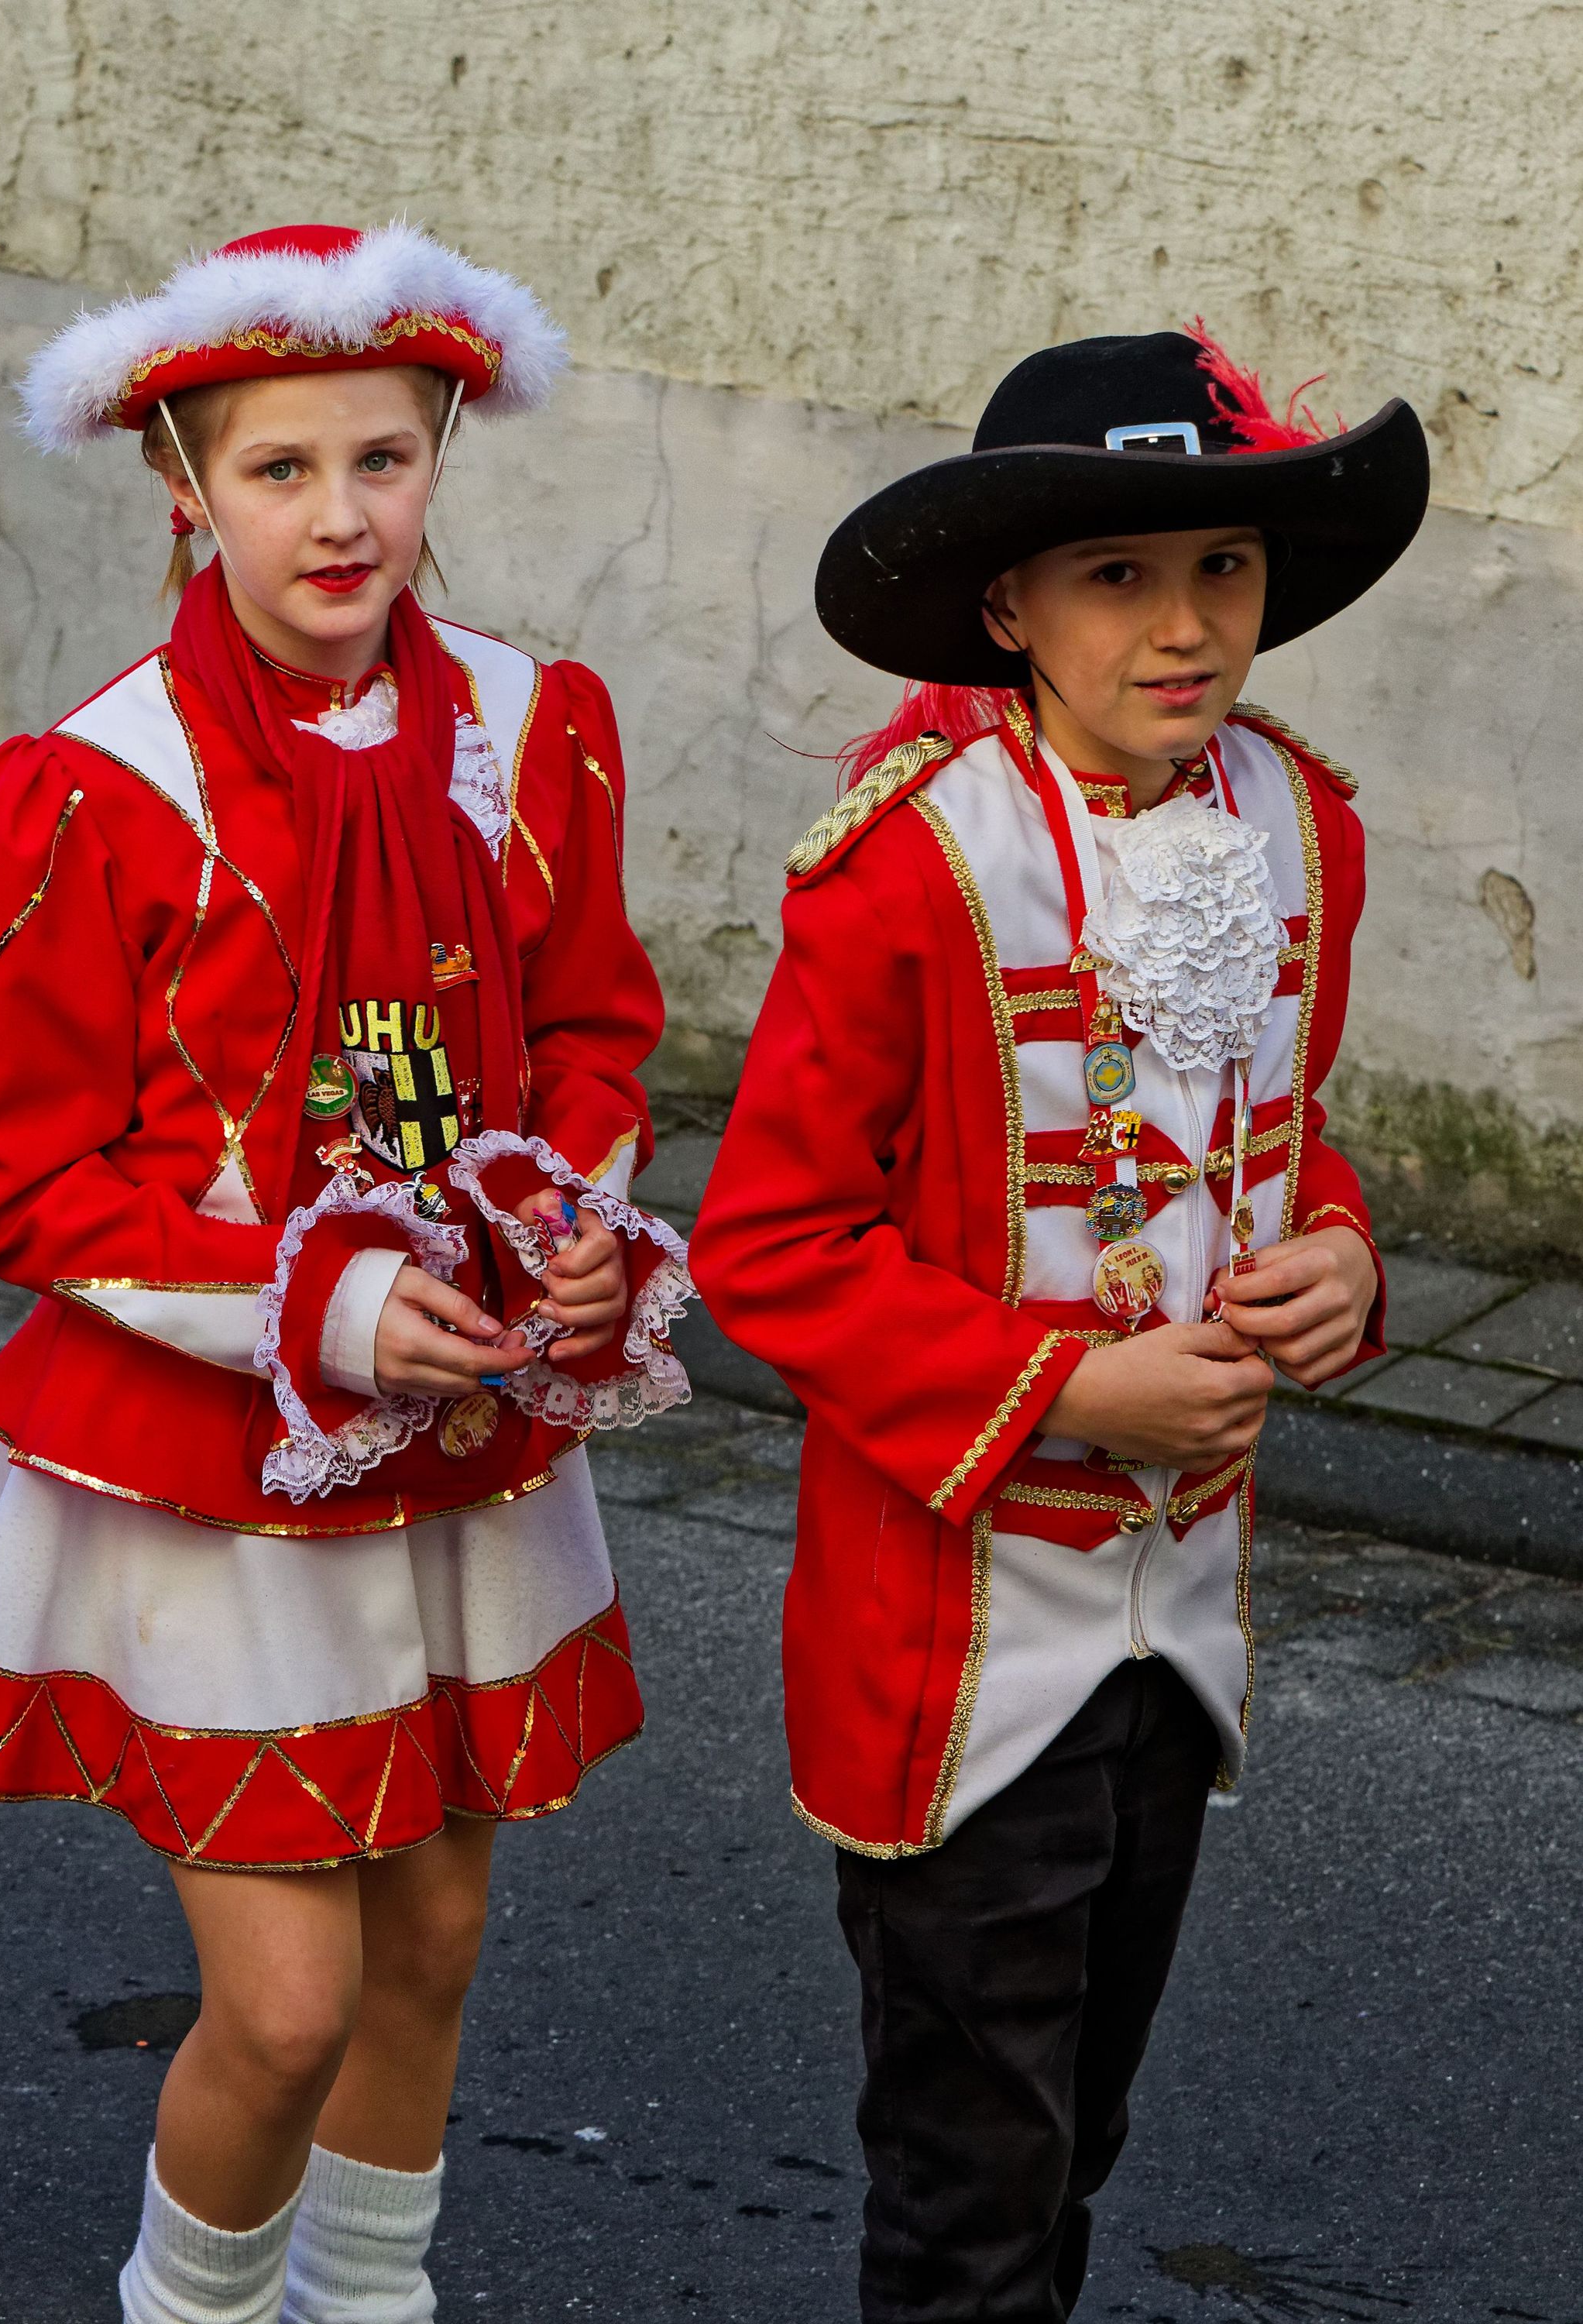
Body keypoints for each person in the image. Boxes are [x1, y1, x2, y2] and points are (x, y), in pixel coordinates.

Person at [0, 220, 693, 2324]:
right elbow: (24, 1181)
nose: (341, 516)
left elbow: (596, 1030)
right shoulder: (89, 786)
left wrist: (570, 1227)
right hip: (214, 1454)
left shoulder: (535, 730)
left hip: (474, 1424)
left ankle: (370, 2302)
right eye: (280, 470)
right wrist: (322, 1309)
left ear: (441, 450)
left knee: (432, 1946)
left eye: (383, 457)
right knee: (282, 2005)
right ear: (185, 481)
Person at [691, 325, 1430, 2322]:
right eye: (1117, 576)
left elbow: (1277, 1136)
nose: (1183, 628)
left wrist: (1341, 1261)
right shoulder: (911, 870)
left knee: (1078, 2118)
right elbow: (768, 1246)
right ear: (1007, 606)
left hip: (1181, 1613)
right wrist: (1071, 1379)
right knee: (971, 2172)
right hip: (959, 1630)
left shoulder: (1304, 824)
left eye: (1223, 567)